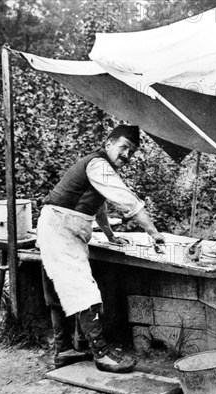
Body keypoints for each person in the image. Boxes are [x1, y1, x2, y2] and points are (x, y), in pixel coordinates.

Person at [36, 124, 166, 373]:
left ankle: (64, 350)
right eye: (124, 147)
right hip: (60, 228)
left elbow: (98, 205)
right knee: (84, 290)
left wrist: (109, 235)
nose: (127, 155)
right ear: (108, 143)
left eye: (132, 151)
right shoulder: (98, 164)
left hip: (60, 227)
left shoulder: (99, 167)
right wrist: (153, 232)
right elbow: (126, 200)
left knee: (60, 290)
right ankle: (102, 355)